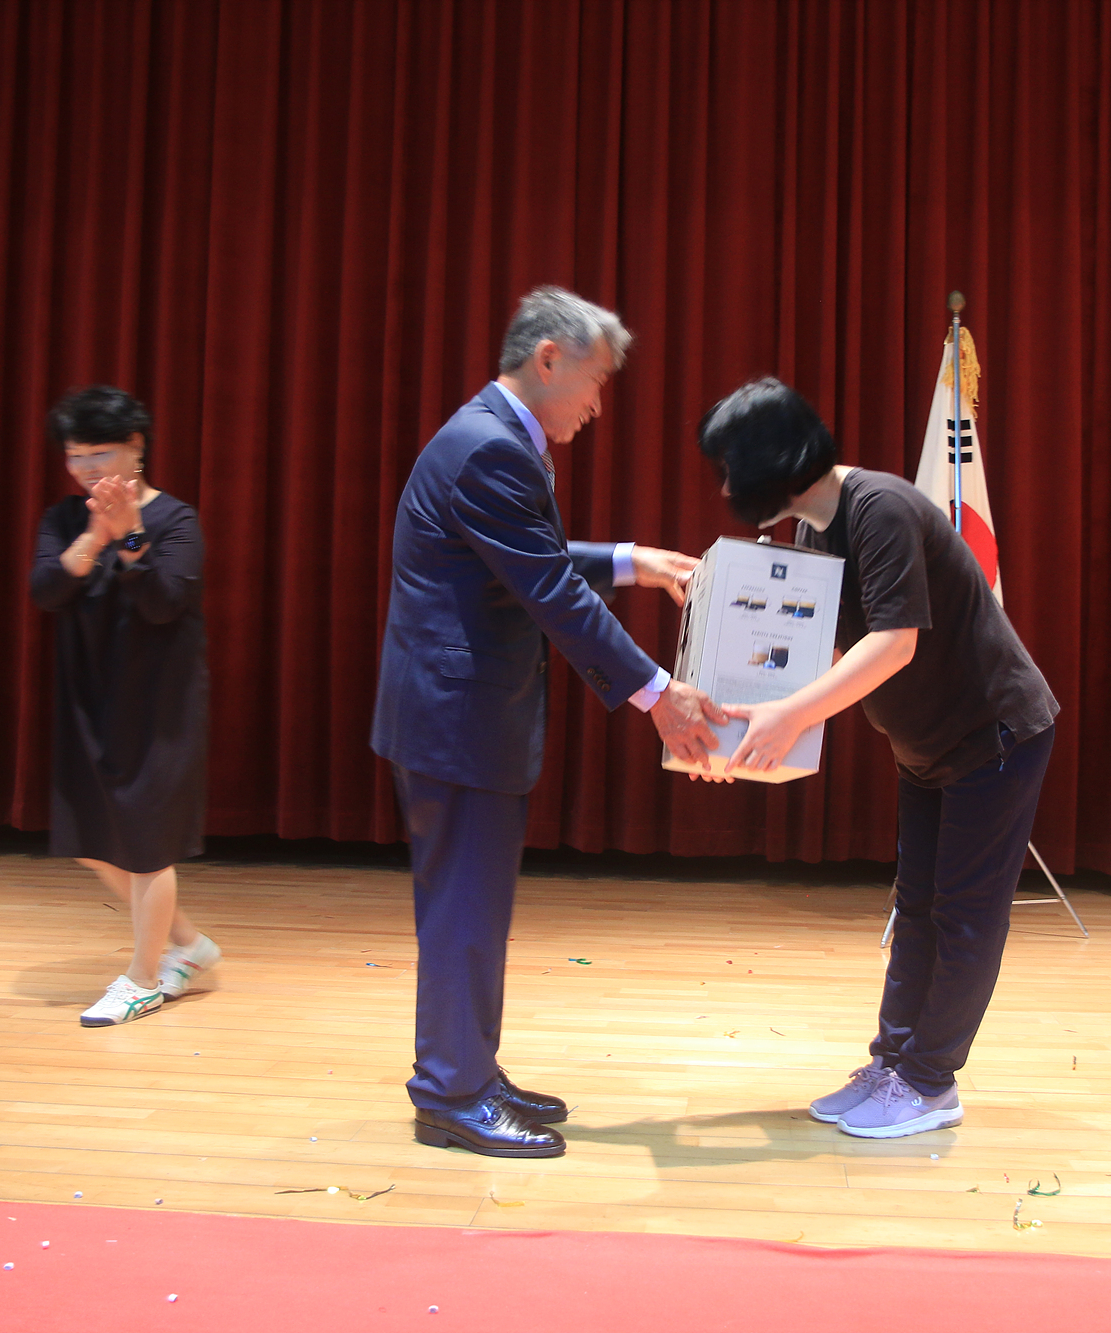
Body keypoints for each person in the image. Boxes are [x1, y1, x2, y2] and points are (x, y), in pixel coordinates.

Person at [372, 287, 727, 1158]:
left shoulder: (490, 436)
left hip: (459, 718)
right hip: (456, 722)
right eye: (596, 382)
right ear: (548, 359)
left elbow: (521, 557)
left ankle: (469, 1067)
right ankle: (450, 1093)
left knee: (474, 908)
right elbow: (550, 591)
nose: (598, 404)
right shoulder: (491, 448)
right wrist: (658, 693)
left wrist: (630, 559)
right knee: (463, 911)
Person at [695, 378, 1059, 1139]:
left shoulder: (879, 507)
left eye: (733, 469)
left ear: (776, 460)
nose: (727, 489)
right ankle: (893, 1063)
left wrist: (791, 715)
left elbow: (894, 643)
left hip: (993, 735)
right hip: (924, 745)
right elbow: (815, 656)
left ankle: (930, 1082)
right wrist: (734, 732)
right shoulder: (814, 533)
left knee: (963, 916)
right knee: (916, 906)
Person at [29, 386, 220, 1027]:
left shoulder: (176, 519)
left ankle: (142, 978)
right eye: (75, 455)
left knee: (146, 844)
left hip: (159, 700)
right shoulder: (65, 518)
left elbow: (164, 603)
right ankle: (188, 945)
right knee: (90, 838)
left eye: (100, 452)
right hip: (89, 694)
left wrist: (131, 536)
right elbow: (46, 589)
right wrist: (94, 534)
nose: (86, 467)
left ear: (136, 447)